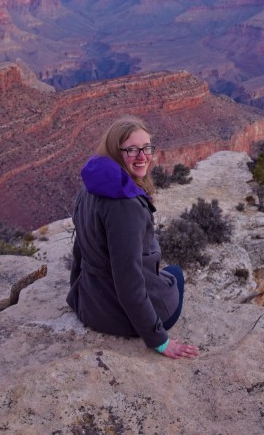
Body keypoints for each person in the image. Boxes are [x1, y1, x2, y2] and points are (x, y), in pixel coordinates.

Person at [66, 116, 199, 360]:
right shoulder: (124, 206)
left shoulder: (90, 186)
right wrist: (159, 341)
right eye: (132, 150)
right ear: (116, 151)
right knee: (177, 275)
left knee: (167, 272)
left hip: (91, 302)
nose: (143, 156)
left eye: (147, 148)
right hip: (116, 315)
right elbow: (128, 281)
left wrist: (77, 294)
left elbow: (80, 247)